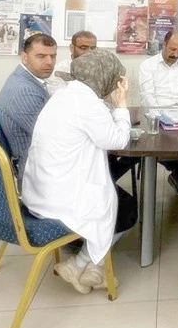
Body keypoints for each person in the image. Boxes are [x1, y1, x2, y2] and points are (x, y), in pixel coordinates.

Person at [21, 50, 136, 294]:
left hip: (40, 189)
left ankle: (92, 267)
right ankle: (81, 263)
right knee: (126, 208)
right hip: (61, 198)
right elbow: (117, 140)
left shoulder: (64, 95)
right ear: (105, 77)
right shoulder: (87, 104)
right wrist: (122, 103)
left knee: (112, 195)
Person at [139, 30, 178, 198]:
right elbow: (147, 97)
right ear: (164, 45)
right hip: (159, 116)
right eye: (172, 49)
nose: (176, 54)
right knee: (163, 144)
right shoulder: (148, 65)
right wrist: (163, 116)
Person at [0, 34, 57, 179]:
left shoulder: (25, 78)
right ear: (25, 57)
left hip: (39, 159)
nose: (49, 62)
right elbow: (50, 136)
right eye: (41, 56)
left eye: (53, 56)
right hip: (35, 169)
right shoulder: (24, 91)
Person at [46, 30, 97, 95]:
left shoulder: (99, 71)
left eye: (93, 48)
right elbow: (61, 97)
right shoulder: (59, 71)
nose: (89, 53)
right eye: (83, 48)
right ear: (72, 48)